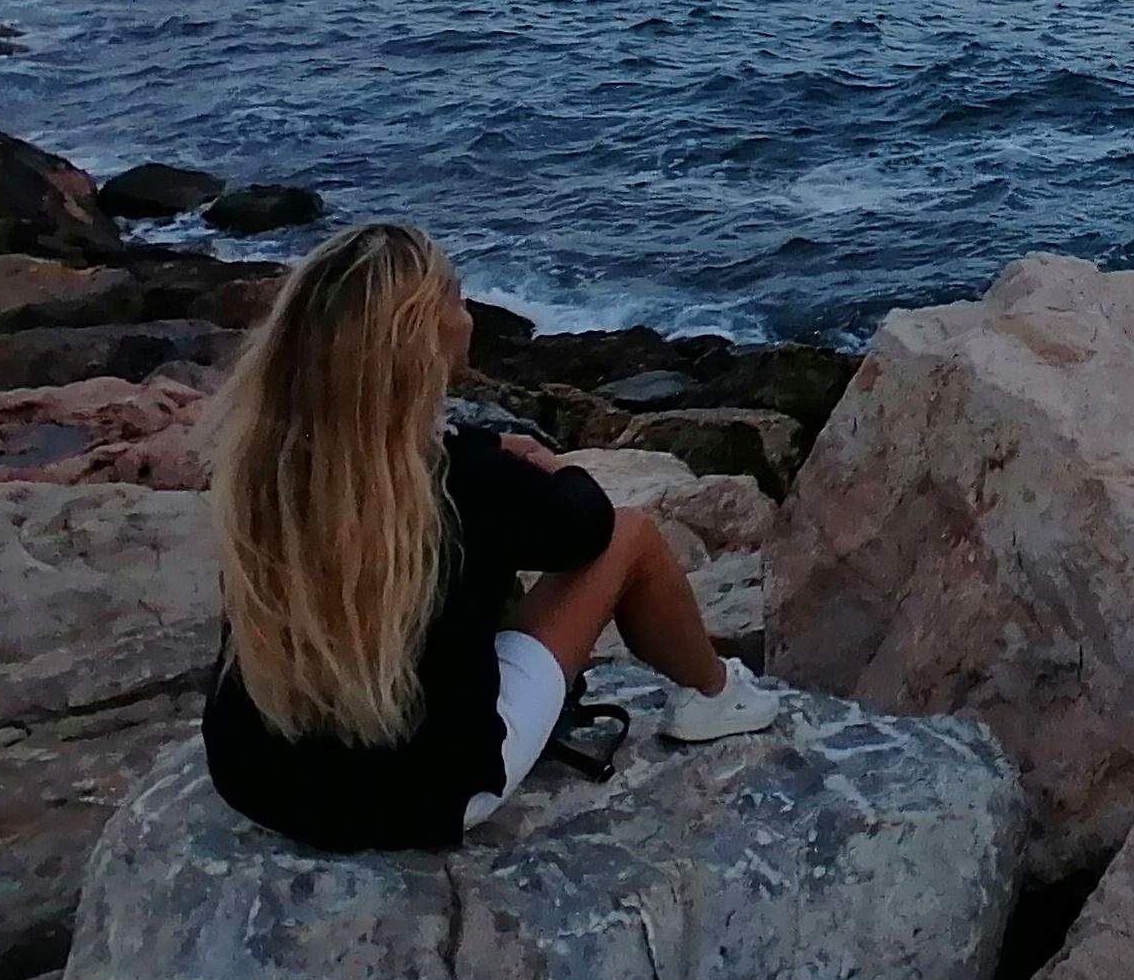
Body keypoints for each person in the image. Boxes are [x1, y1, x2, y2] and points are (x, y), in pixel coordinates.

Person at [200, 221, 778, 851]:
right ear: (422, 343)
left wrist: (486, 447)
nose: (468, 314)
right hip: (418, 798)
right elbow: (588, 526)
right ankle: (718, 697)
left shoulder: (262, 462)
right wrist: (550, 466)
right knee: (633, 538)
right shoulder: (469, 486)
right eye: (455, 298)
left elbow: (401, 460)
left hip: (255, 780)